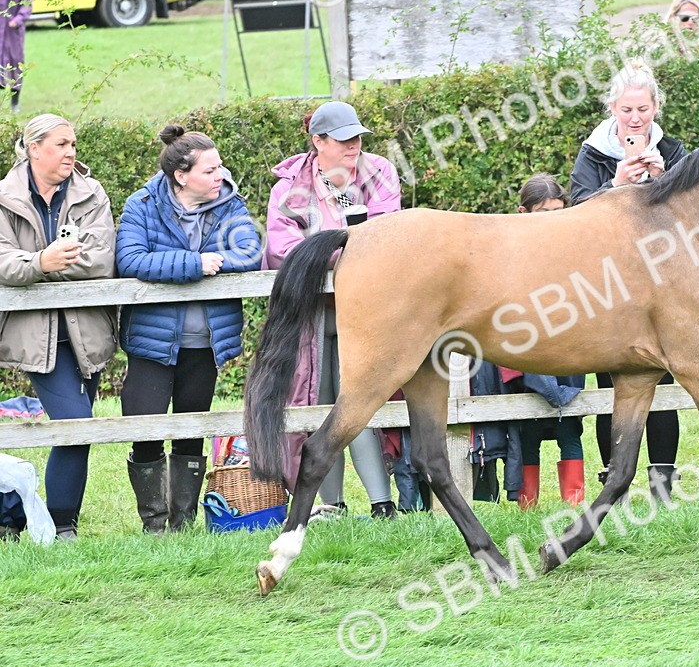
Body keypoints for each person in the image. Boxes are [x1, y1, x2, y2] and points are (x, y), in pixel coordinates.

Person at [116, 126, 263, 533]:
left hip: (206, 342)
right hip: (151, 340)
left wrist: (211, 259)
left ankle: (182, 523)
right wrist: (194, 264)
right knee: (145, 431)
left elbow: (250, 253)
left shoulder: (229, 206)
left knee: (191, 430)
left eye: (220, 168)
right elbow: (130, 259)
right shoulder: (142, 205)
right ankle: (154, 524)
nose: (221, 176)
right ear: (182, 175)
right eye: (211, 170)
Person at [265, 101, 404, 517]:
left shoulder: (379, 172)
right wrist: (342, 249)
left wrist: (324, 246)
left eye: (357, 137)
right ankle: (333, 506)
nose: (354, 146)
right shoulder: (288, 188)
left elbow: (386, 233)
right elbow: (281, 250)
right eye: (344, 139)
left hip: (365, 308)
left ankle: (383, 504)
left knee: (356, 400)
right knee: (319, 405)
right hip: (310, 310)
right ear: (317, 141)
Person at [569, 60, 688, 501]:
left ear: (656, 107)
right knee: (611, 380)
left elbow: (693, 212)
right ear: (613, 109)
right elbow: (575, 209)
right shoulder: (593, 153)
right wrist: (616, 183)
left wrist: (663, 180)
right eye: (626, 110)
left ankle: (663, 481)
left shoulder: (673, 151)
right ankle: (611, 481)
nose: (635, 118)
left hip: (661, 278)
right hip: (607, 279)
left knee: (662, 374)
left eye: (642, 109)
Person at [0, 114, 117, 540]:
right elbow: (2, 261)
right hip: (36, 337)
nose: (71, 152)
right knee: (76, 422)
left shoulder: (92, 193)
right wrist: (40, 262)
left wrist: (37, 266)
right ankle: (57, 524)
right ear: (34, 148)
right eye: (62, 144)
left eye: (74, 144)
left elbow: (101, 259)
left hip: (89, 332)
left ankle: (50, 522)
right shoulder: (4, 198)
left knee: (77, 432)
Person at [509, 175, 586, 508]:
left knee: (570, 426)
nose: (552, 218)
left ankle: (575, 505)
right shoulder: (509, 246)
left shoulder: (573, 245)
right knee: (528, 431)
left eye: (558, 210)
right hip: (525, 346)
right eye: (543, 211)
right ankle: (527, 508)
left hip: (567, 345)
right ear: (523, 212)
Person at [0, 0, 33, 114]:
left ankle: (15, 103)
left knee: (15, 64)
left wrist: (17, 20)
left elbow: (26, 6)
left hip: (13, 33)